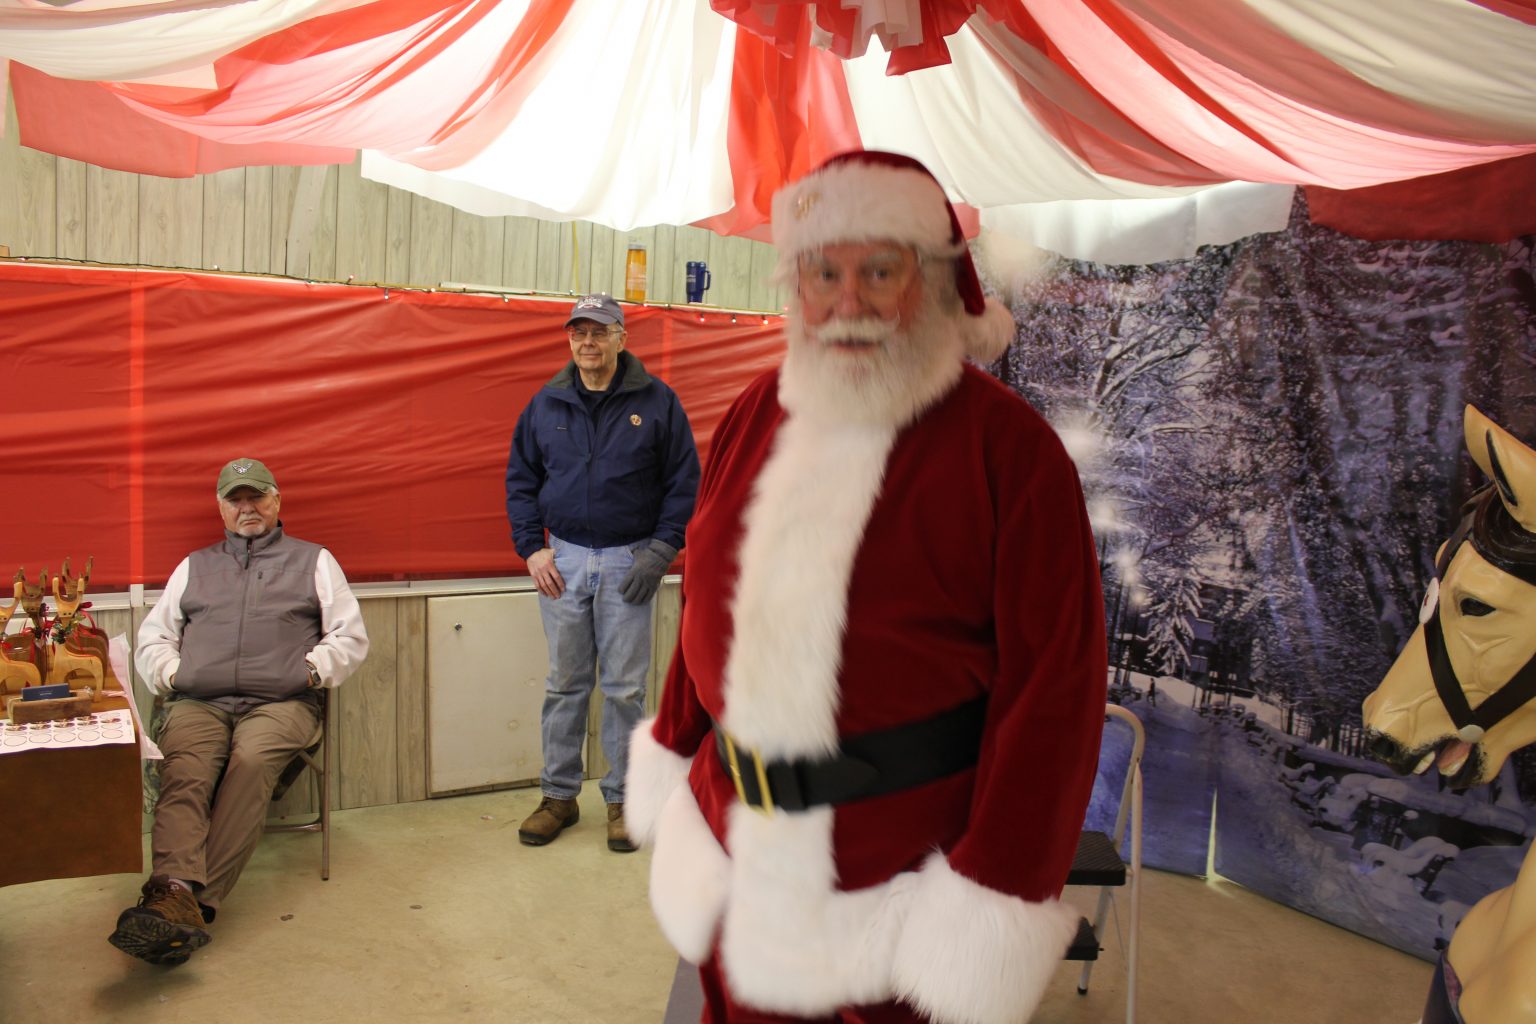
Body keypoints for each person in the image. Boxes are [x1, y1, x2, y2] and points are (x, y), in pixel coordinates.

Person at [624, 152, 1109, 1023]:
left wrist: (990, 895)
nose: (847, 304)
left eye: (880, 272)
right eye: (824, 273)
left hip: (897, 893)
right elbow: (709, 599)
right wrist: (672, 743)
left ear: (932, 283)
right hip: (734, 853)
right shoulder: (751, 414)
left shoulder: (1014, 455)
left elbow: (1055, 697)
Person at [111, 458, 369, 965]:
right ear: (222, 509)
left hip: (282, 702)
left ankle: (183, 900)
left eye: (258, 497)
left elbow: (350, 636)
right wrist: (174, 675)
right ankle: (178, 895)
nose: (247, 507)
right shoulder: (194, 565)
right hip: (200, 701)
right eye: (236, 499)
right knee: (184, 769)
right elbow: (153, 637)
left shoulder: (314, 560)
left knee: (250, 762)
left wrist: (309, 673)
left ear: (277, 501)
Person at [505, 294, 700, 852]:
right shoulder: (546, 404)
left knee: (624, 689)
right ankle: (558, 798)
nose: (587, 342)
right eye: (578, 332)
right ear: (569, 339)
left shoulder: (658, 403)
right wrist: (531, 549)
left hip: (628, 561)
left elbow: (684, 482)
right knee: (564, 685)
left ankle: (623, 801)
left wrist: (661, 550)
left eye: (599, 331)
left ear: (622, 338)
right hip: (561, 562)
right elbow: (521, 478)